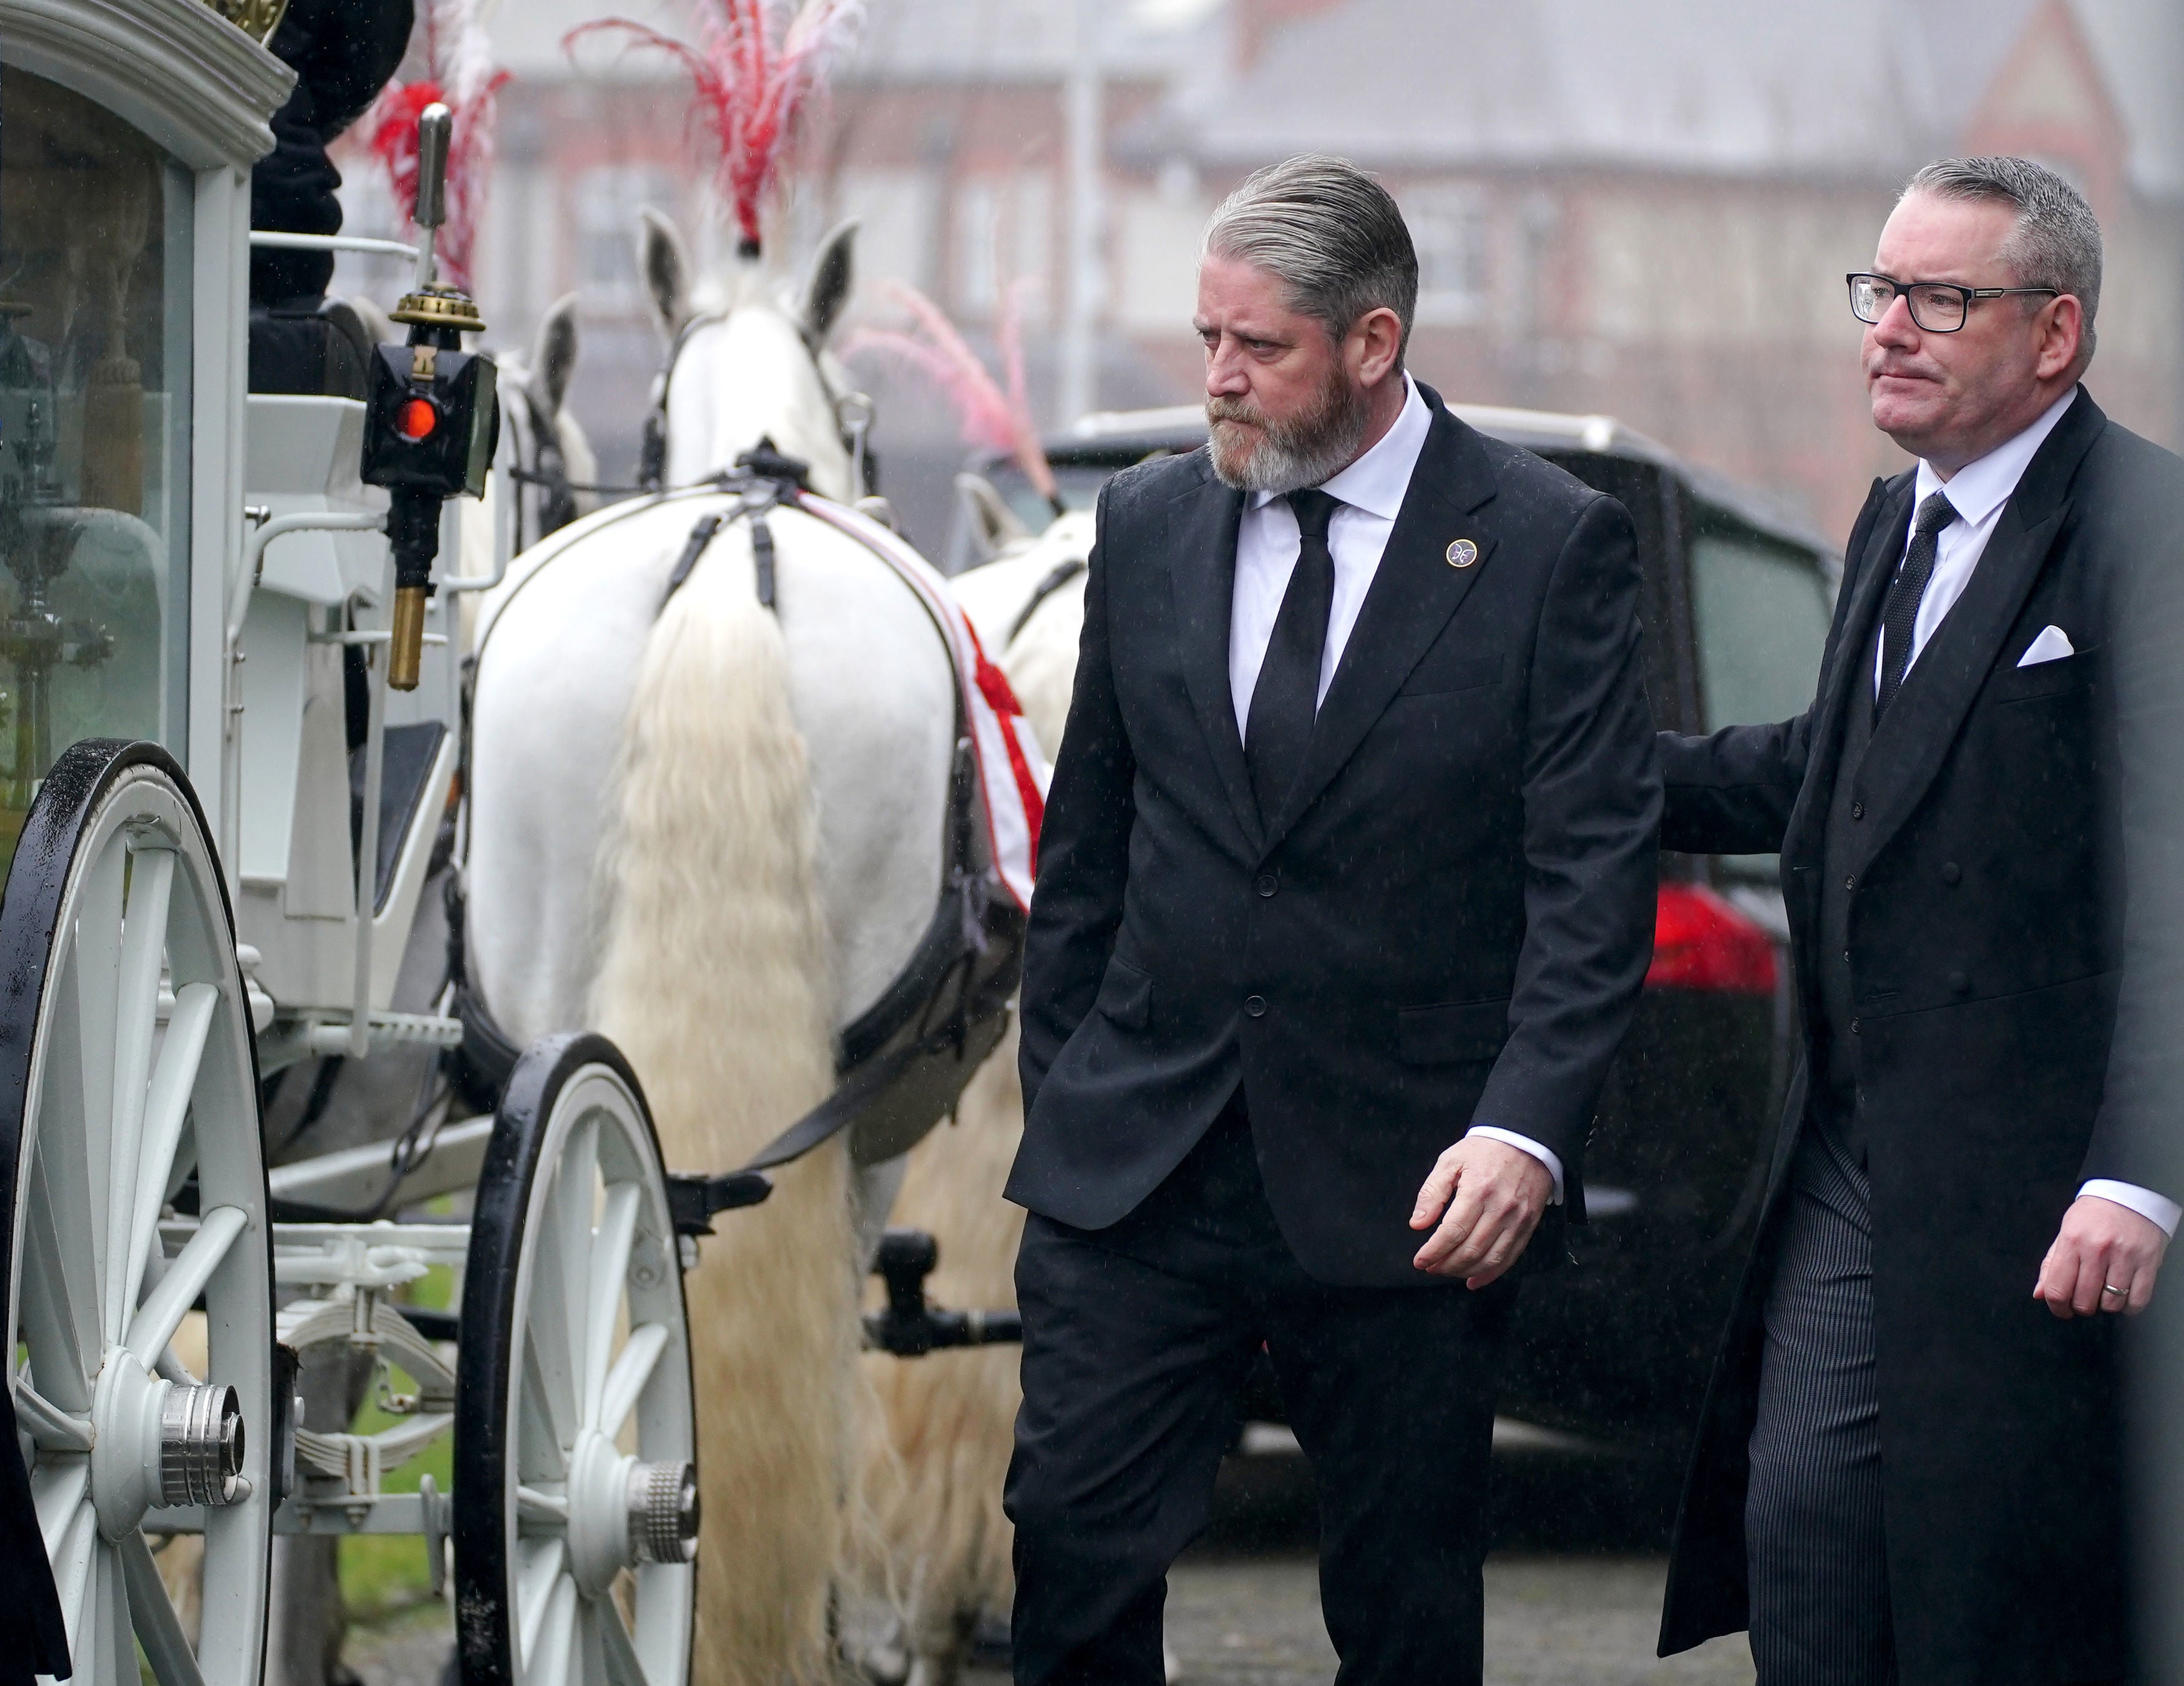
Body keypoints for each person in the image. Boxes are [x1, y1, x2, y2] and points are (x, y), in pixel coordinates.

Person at [1003, 154, 1660, 1685]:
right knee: (1071, 1552)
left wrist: (1524, 1129)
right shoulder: (1156, 521)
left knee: (1405, 1607)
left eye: (1258, 350)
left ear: (1372, 345)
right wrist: (1073, 1078)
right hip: (1139, 1172)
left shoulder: (1549, 543)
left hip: (1407, 1187)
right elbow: (1087, 841)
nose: (1217, 381)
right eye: (1205, 340)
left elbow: (1590, 876)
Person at [1655, 156, 2184, 1685]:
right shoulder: (1895, 522)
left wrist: (2139, 1174)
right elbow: (1831, 769)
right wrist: (1582, 786)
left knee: (2016, 1594)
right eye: (1878, 290)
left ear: (2054, 334)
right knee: (1803, 1520)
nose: (1887, 327)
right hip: (1855, 1144)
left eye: (1938, 298)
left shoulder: (2149, 532)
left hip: (2055, 1184)